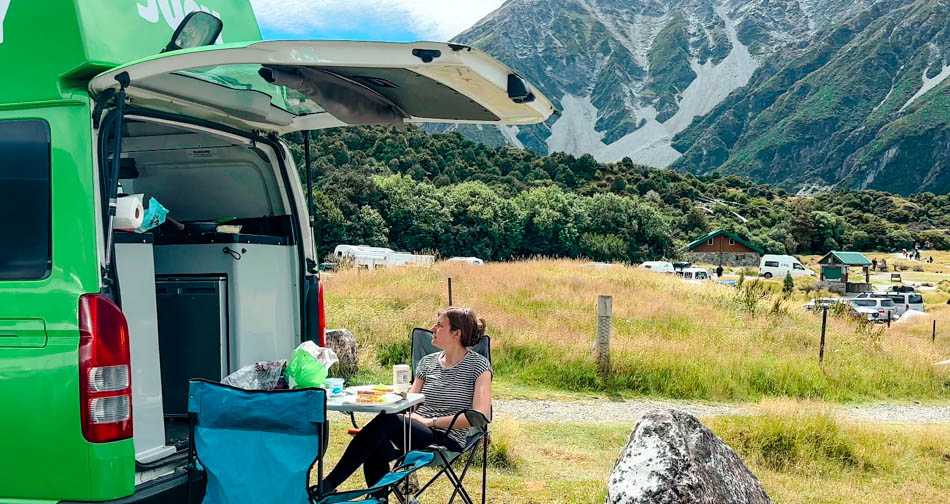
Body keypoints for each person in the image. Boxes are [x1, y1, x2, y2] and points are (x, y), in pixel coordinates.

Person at [322, 307, 492, 495]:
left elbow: (479, 416)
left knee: (387, 422)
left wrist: (430, 421)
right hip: (415, 430)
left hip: (447, 438)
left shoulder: (478, 366)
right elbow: (408, 401)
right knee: (375, 445)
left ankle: (327, 486)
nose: (432, 329)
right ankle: (377, 499)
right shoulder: (427, 363)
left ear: (456, 333)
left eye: (439, 325)